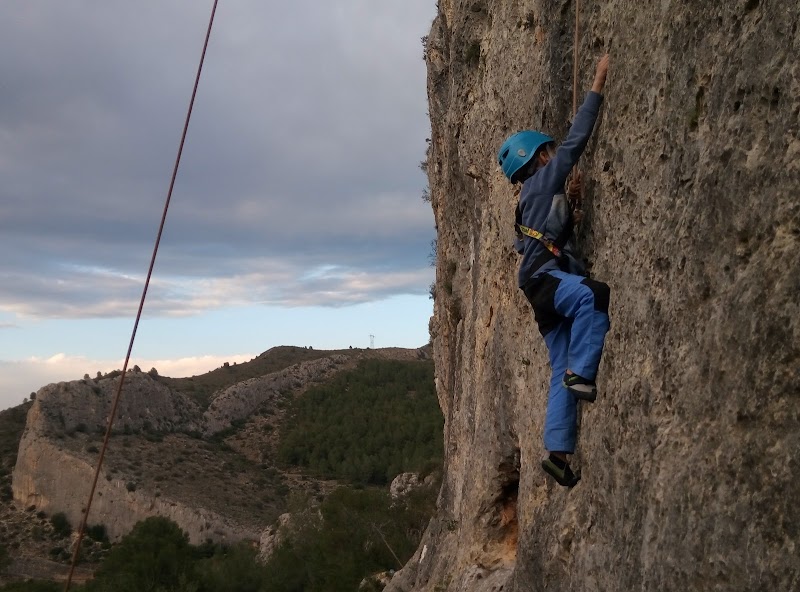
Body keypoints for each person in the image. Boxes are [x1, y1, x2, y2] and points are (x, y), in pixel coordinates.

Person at [497, 54, 611, 487]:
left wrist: (570, 210)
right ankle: (582, 373)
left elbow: (535, 242)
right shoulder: (542, 181)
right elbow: (575, 143)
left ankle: (558, 454)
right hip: (547, 282)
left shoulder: (532, 198)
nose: (553, 154)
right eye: (547, 151)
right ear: (539, 159)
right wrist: (597, 84)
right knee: (593, 295)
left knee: (558, 364)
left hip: (538, 288)